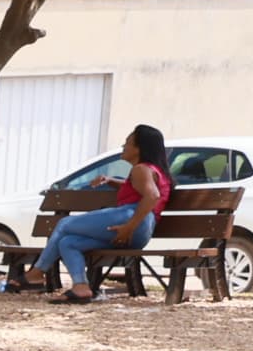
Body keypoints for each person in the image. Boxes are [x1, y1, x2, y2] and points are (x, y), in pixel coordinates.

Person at [35, 123, 171, 301]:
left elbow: (152, 196)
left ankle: (36, 273)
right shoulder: (151, 171)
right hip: (140, 231)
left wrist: (129, 227)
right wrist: (111, 180)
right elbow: (138, 188)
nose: (123, 146)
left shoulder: (141, 169)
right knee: (68, 242)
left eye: (128, 142)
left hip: (132, 219)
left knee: (64, 224)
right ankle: (81, 287)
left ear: (139, 149)